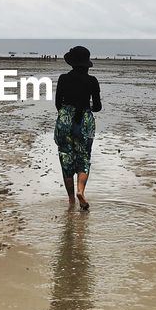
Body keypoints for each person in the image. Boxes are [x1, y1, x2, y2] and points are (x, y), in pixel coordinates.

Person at [54, 45, 102, 210]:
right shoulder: (92, 81)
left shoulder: (63, 79)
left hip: (65, 119)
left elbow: (57, 103)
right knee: (84, 158)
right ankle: (80, 191)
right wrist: (84, 106)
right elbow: (97, 107)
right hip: (85, 121)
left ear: (72, 63)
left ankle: (71, 200)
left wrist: (67, 112)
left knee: (66, 159)